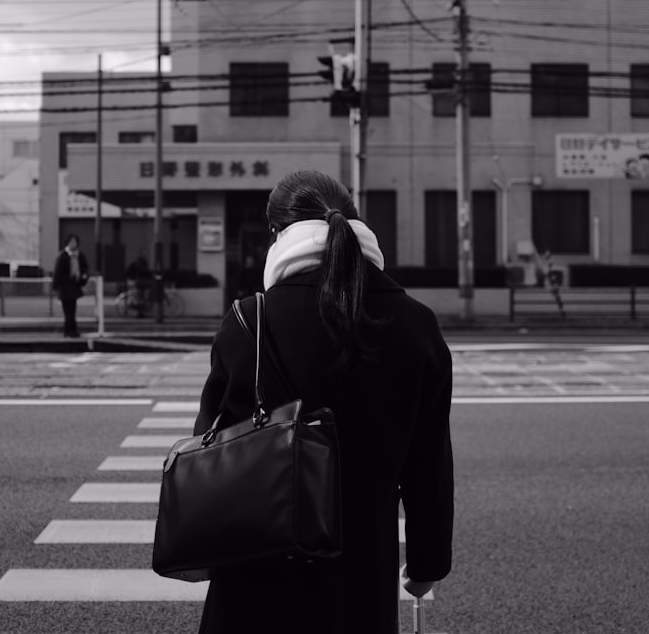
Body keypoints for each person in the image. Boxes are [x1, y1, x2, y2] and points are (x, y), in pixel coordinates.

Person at [193, 170, 454, 634]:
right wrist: (426, 562)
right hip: (360, 569)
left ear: (277, 234)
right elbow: (428, 459)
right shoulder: (417, 324)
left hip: (257, 566)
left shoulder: (249, 321)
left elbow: (209, 448)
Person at [52, 234, 88, 337]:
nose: (73, 244)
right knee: (68, 310)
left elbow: (85, 268)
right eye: (71, 242)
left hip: (74, 285)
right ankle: (70, 330)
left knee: (72, 309)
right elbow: (57, 272)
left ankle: (71, 330)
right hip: (64, 287)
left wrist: (83, 278)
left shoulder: (79, 255)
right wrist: (55, 286)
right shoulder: (63, 256)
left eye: (75, 242)